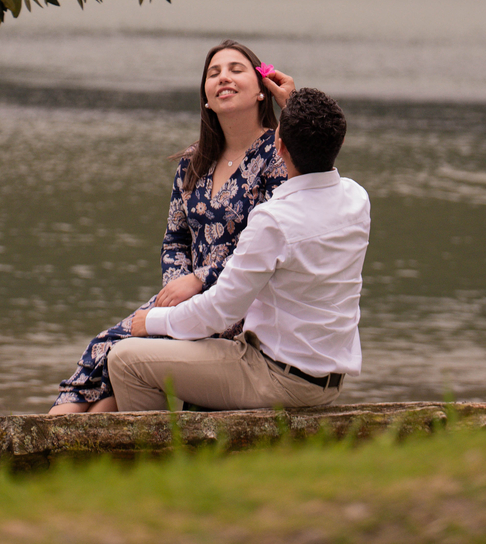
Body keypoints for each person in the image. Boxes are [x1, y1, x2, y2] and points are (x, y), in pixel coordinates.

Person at [48, 41, 293, 414]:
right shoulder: (194, 162)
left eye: (236, 69)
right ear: (207, 99)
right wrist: (176, 287)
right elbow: (175, 239)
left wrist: (199, 281)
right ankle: (50, 452)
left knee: (120, 354)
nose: (223, 77)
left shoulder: (278, 157)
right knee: (105, 351)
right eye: (213, 73)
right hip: (187, 300)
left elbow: (265, 247)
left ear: (262, 91)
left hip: (241, 303)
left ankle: (45, 456)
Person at [107, 86, 368, 412]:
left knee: (124, 360)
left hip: (277, 379)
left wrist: (155, 320)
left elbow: (221, 310)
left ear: (280, 145)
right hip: (325, 380)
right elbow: (317, 134)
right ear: (339, 143)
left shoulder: (275, 220)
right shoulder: (357, 200)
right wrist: (296, 105)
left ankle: (162, 460)